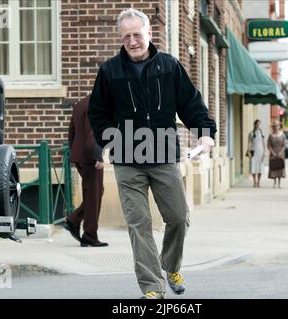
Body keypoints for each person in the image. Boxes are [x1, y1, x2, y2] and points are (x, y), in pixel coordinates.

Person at [88, 8, 216, 299]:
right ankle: (152, 287)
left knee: (179, 217)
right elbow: (98, 113)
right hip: (127, 161)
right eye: (126, 36)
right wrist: (112, 141)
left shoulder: (169, 67)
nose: (132, 41)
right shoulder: (110, 71)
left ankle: (170, 265)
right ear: (121, 38)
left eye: (137, 34)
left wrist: (205, 133)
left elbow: (191, 103)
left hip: (163, 156)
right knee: (139, 224)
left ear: (148, 34)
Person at [65, 94, 108, 247]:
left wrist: (75, 153)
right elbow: (94, 133)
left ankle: (77, 221)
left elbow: (71, 132)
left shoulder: (80, 104)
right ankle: (88, 234)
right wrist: (98, 156)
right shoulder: (98, 103)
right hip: (91, 157)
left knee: (94, 193)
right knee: (94, 194)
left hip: (80, 156)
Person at [267, 120, 286, 188]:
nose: (275, 127)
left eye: (277, 126)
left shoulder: (282, 134)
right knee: (274, 167)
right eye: (274, 126)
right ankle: (274, 182)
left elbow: (284, 145)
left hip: (281, 153)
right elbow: (269, 145)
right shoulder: (270, 135)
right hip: (273, 153)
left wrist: (281, 152)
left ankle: (279, 182)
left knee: (280, 167)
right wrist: (272, 152)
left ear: (279, 126)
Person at [247, 119, 265, 187]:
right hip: (253, 151)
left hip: (260, 151)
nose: (258, 125)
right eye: (257, 124)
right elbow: (249, 143)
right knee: (253, 166)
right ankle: (254, 181)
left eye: (259, 124)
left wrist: (264, 152)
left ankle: (259, 182)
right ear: (254, 125)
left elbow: (263, 143)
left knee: (260, 167)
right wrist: (248, 151)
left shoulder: (261, 133)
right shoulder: (251, 133)